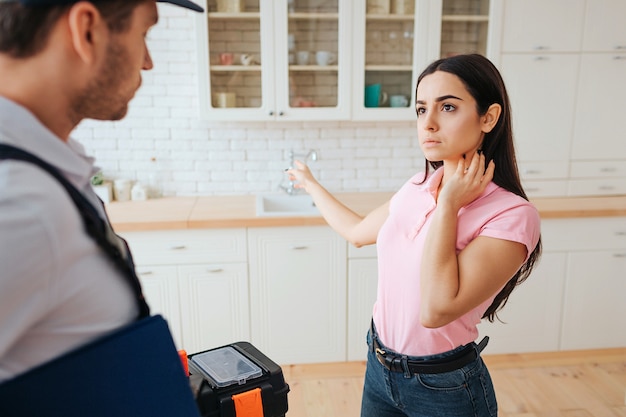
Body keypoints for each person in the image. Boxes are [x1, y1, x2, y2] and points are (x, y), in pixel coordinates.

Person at [287, 54, 542, 416]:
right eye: (421, 110)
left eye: (448, 107)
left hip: (444, 387)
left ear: (489, 117)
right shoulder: (418, 187)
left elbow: (436, 310)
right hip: (380, 368)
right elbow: (358, 232)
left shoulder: (512, 215)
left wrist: (450, 206)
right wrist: (311, 186)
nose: (429, 124)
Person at [0, 0, 203, 383]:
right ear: (87, 30)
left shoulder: (44, 170)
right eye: (143, 34)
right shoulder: (18, 205)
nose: (147, 62)